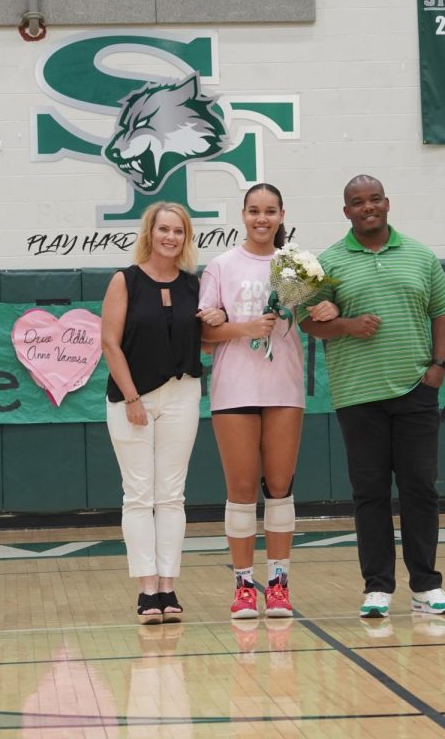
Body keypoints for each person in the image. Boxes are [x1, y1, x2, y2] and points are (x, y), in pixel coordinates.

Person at [301, 175, 445, 619]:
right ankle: (378, 588)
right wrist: (346, 326)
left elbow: (444, 311)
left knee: (420, 490)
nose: (367, 207)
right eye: (357, 202)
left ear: (387, 203)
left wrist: (438, 368)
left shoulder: (420, 255)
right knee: (369, 493)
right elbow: (308, 322)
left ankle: (426, 586)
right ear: (346, 211)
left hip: (415, 391)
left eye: (374, 199)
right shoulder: (328, 262)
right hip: (357, 394)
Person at [198, 183, 339, 619]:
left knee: (280, 487)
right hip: (233, 389)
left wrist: (327, 309)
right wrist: (241, 328)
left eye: (270, 211)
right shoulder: (220, 267)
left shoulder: (297, 266)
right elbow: (204, 339)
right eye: (254, 211)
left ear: (282, 215)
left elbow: (317, 314)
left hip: (283, 388)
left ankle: (277, 584)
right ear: (242, 215)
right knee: (240, 490)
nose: (262, 219)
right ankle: (243, 586)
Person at [101, 202, 227, 624]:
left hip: (182, 394)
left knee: (172, 496)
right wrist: (132, 397)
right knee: (138, 496)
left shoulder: (196, 286)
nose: (170, 237)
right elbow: (110, 344)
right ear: (150, 233)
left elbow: (207, 343)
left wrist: (218, 316)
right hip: (132, 399)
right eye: (164, 229)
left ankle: (168, 587)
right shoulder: (126, 281)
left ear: (186, 237)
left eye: (179, 231)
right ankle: (145, 589)